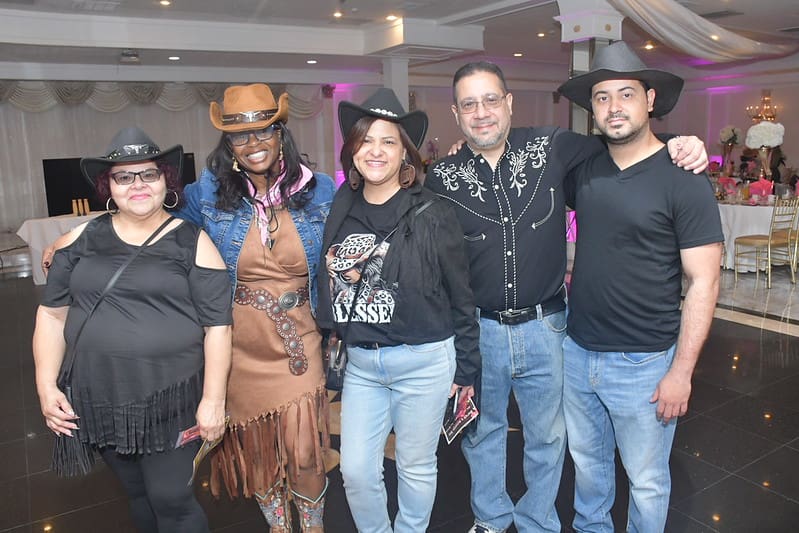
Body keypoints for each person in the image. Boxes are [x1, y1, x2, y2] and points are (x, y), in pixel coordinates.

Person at [426, 61, 708, 533]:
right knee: (482, 434)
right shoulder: (442, 177)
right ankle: (490, 517)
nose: (482, 113)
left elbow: (625, 140)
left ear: (509, 103)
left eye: (491, 100)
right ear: (455, 114)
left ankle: (537, 520)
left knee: (549, 436)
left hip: (548, 328)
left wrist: (682, 141)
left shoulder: (551, 146)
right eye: (469, 104)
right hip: (480, 330)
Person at [557, 41, 723, 532]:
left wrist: (682, 372)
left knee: (646, 480)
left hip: (644, 363)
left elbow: (705, 280)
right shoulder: (585, 170)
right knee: (588, 468)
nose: (613, 107)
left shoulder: (683, 177)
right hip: (578, 351)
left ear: (650, 100)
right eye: (602, 97)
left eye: (626, 94)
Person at [32, 126, 232, 532]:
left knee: (171, 498)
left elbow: (218, 328)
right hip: (101, 398)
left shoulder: (193, 242)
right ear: (109, 187)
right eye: (124, 176)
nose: (137, 184)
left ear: (165, 182)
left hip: (173, 400)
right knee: (138, 493)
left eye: (148, 174)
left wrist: (213, 401)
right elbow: (51, 315)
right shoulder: (79, 239)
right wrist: (45, 385)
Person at [316, 88, 480, 533]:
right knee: (356, 470)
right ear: (352, 150)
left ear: (405, 153)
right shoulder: (341, 207)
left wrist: (467, 368)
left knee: (415, 465)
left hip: (423, 361)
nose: (376, 150)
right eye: (366, 140)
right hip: (362, 365)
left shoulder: (432, 212)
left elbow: (461, 296)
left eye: (388, 141)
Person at [175, 83, 336, 532]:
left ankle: (313, 527)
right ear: (229, 144)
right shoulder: (208, 193)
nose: (253, 143)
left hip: (300, 338)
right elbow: (158, 231)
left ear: (281, 133)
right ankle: (279, 527)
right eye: (240, 135)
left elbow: (369, 219)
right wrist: (77, 236)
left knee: (305, 451)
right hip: (238, 345)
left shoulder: (319, 189)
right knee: (260, 451)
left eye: (264, 131)